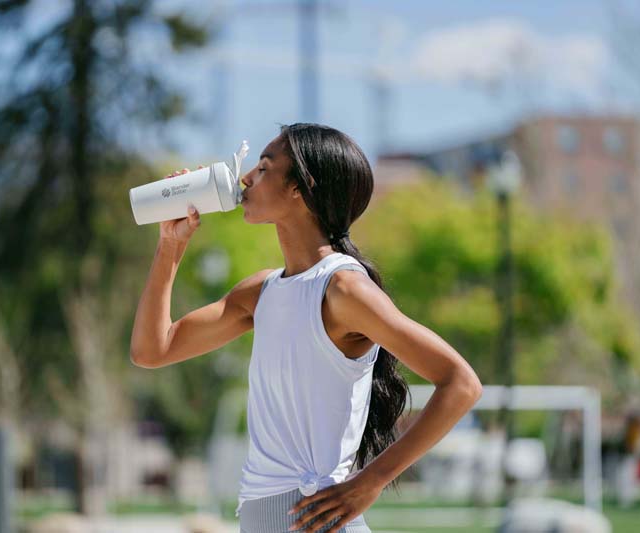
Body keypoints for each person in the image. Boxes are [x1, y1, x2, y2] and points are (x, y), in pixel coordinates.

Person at [130, 123, 483, 533]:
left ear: (301, 187)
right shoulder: (261, 292)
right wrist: (170, 247)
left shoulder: (343, 289)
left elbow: (461, 383)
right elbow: (152, 350)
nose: (245, 178)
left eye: (263, 168)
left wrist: (370, 482)